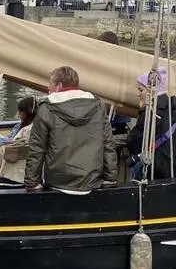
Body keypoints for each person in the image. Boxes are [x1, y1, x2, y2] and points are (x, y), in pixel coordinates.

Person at [24, 65, 116, 194]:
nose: (48, 88)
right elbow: (108, 143)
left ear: (59, 85)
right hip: (92, 182)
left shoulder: (46, 109)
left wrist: (32, 183)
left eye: (50, 84)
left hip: (57, 183)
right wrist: (110, 178)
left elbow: (37, 149)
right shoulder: (98, 106)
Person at [127, 67, 176, 180]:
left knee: (133, 167)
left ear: (151, 91)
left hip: (160, 172)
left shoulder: (151, 111)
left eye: (141, 90)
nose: (138, 94)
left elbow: (134, 143)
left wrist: (142, 110)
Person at [0, 96, 37, 190]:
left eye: (20, 112)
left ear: (26, 113)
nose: (18, 115)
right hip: (14, 175)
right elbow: (9, 141)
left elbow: (11, 152)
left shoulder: (29, 131)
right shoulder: (19, 127)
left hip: (20, 179)